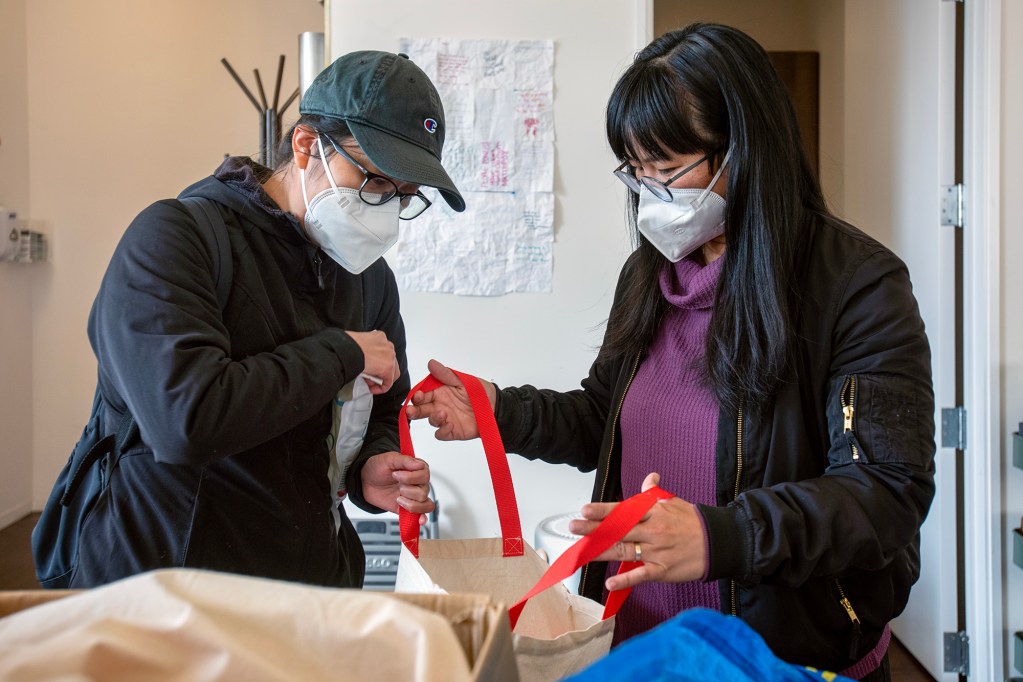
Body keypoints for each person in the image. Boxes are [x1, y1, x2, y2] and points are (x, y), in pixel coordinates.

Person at [406, 23, 934, 681]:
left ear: (746, 150)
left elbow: (884, 492)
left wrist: (722, 536)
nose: (650, 192)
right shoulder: (648, 275)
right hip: (644, 646)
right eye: (636, 170)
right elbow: (606, 423)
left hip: (775, 659)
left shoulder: (855, 286)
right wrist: (496, 410)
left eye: (667, 169)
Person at [42, 50, 463, 589]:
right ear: (307, 144)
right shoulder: (176, 239)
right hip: (167, 592)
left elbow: (377, 407)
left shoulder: (369, 278)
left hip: (308, 588)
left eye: (404, 197)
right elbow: (186, 420)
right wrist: (343, 352)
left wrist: (372, 469)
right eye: (376, 182)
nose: (385, 209)